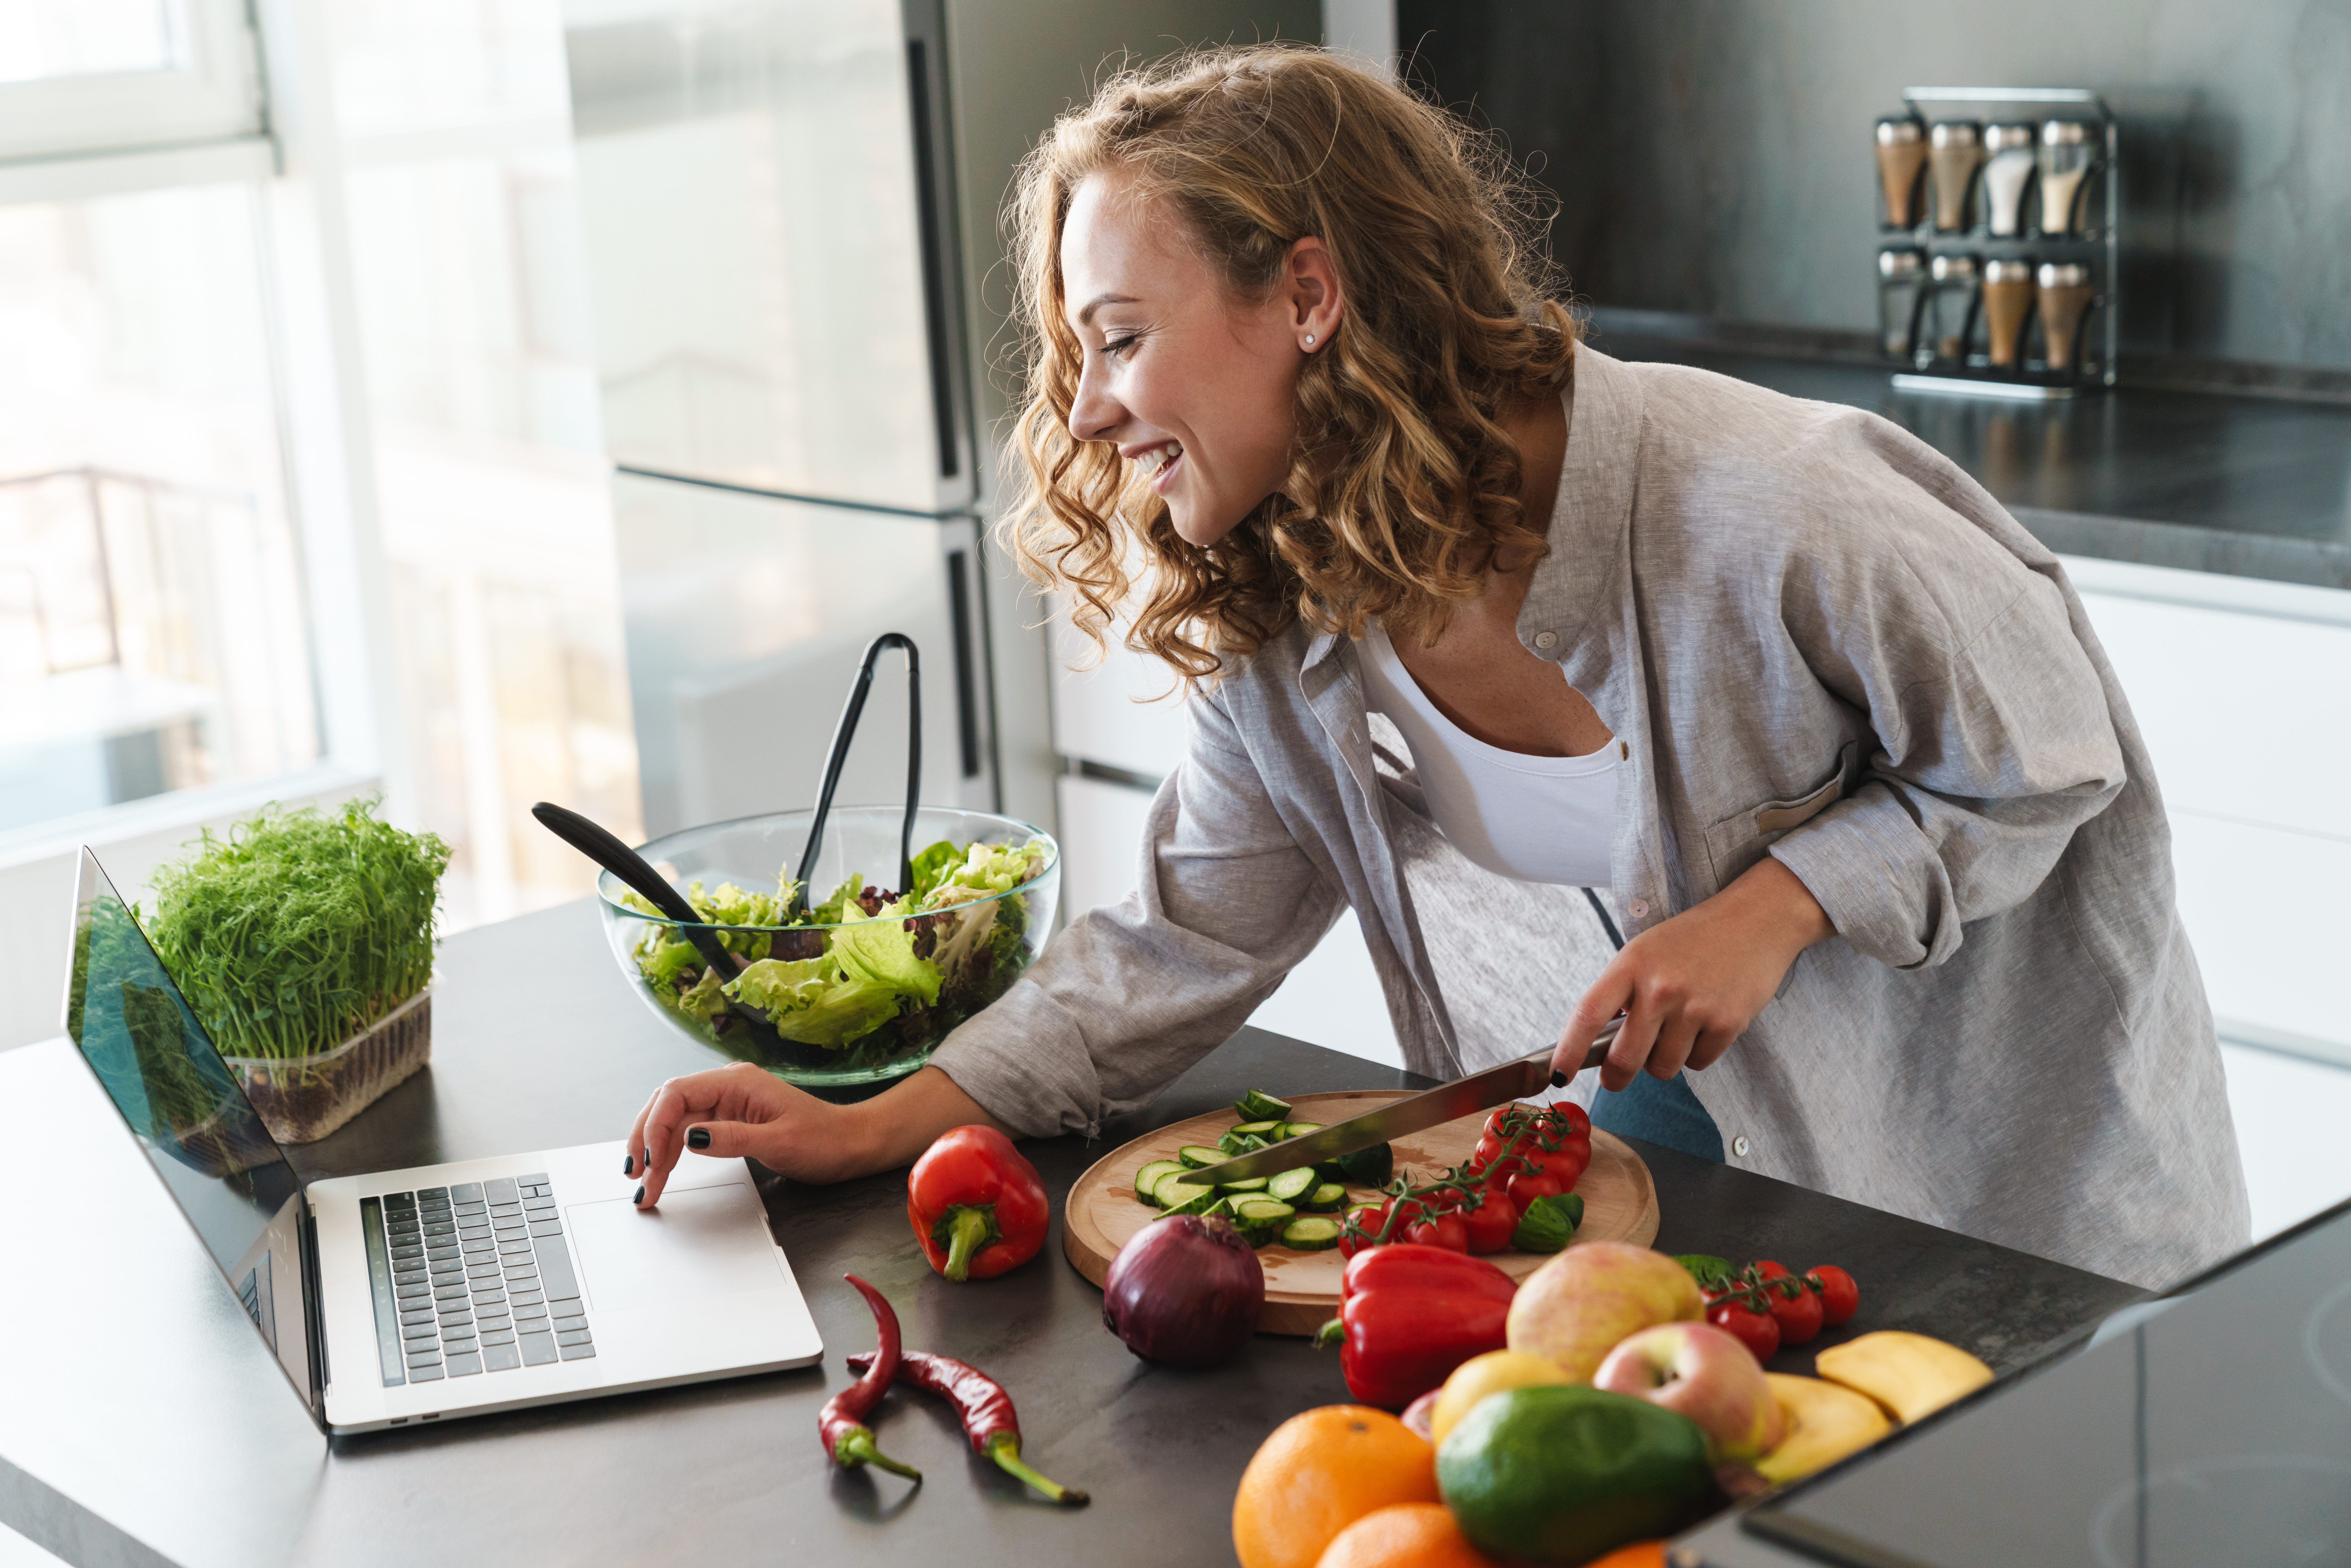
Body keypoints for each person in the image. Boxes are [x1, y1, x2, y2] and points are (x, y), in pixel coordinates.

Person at [623, 46, 2246, 1289]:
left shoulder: (1776, 503)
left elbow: (2050, 749)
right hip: (1672, 1233)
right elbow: (1186, 933)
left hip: (2012, 1239)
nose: (1091, 408)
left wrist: (1778, 905)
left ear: (1310, 292)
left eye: (1119, 336)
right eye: (1077, 355)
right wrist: (878, 1119)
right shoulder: (1282, 610)